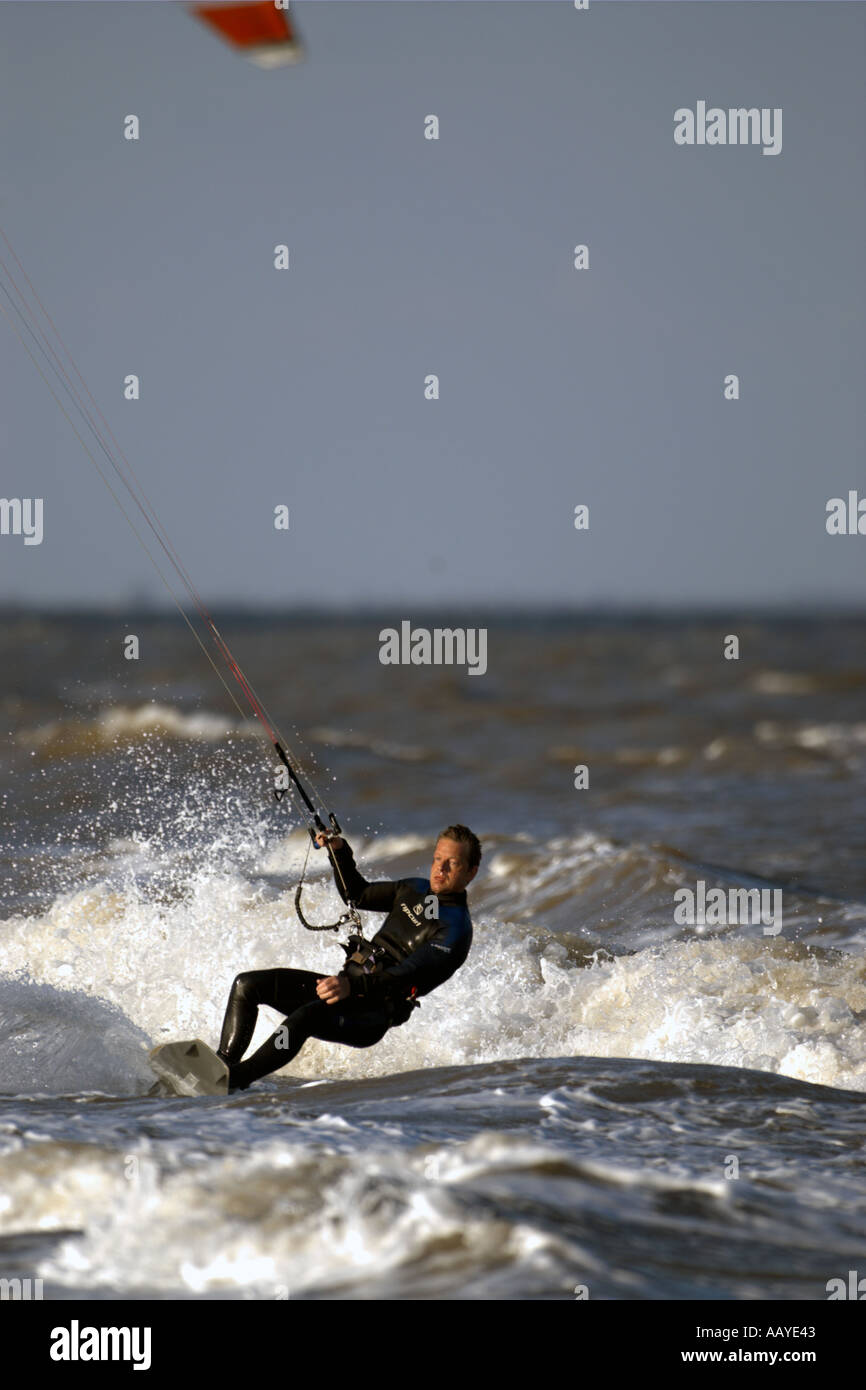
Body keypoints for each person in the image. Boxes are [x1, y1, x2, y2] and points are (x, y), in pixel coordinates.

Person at [215, 824, 481, 1091]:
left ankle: (235, 1080)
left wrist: (352, 987)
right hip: (346, 990)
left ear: (471, 872)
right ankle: (219, 1066)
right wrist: (339, 852)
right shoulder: (413, 889)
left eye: (453, 863)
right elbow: (357, 894)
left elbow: (406, 975)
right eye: (437, 859)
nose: (440, 868)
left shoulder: (455, 930)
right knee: (247, 985)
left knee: (304, 1017)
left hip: (371, 1013)